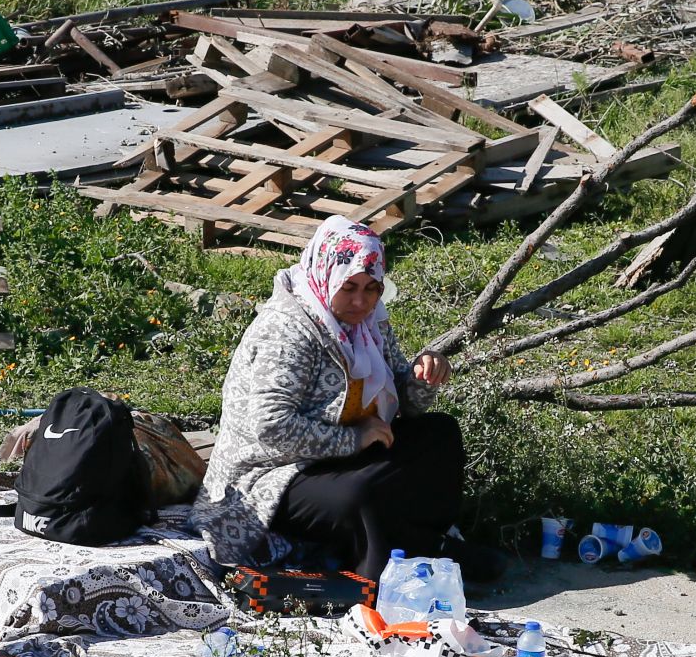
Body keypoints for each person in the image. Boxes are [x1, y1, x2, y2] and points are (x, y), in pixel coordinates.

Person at [192, 216, 496, 582]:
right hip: (273, 474)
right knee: (362, 494)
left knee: (440, 434)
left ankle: (426, 542)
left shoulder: (369, 322)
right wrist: (353, 439)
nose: (360, 301)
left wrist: (424, 374)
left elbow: (407, 404)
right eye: (348, 287)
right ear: (325, 275)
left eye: (371, 288)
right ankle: (379, 578)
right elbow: (271, 427)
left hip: (339, 454)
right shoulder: (288, 329)